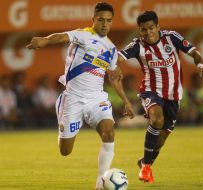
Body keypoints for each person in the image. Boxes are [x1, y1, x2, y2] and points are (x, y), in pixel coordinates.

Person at [26, 2, 134, 190]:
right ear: (93, 20)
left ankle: (101, 182)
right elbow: (60, 37)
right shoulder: (84, 34)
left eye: (109, 21)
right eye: (101, 20)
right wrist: (44, 40)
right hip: (73, 99)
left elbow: (114, 77)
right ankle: (61, 108)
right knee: (65, 151)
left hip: (96, 99)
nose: (104, 24)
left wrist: (126, 101)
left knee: (109, 131)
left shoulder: (111, 49)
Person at [117, 11, 203, 183]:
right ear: (140, 31)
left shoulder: (171, 37)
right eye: (143, 30)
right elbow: (118, 57)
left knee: (162, 138)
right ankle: (145, 169)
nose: (148, 32)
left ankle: (145, 162)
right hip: (151, 90)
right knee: (156, 119)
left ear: (158, 27)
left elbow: (195, 53)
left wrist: (201, 64)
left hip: (173, 95)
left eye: (151, 28)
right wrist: (114, 66)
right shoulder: (137, 45)